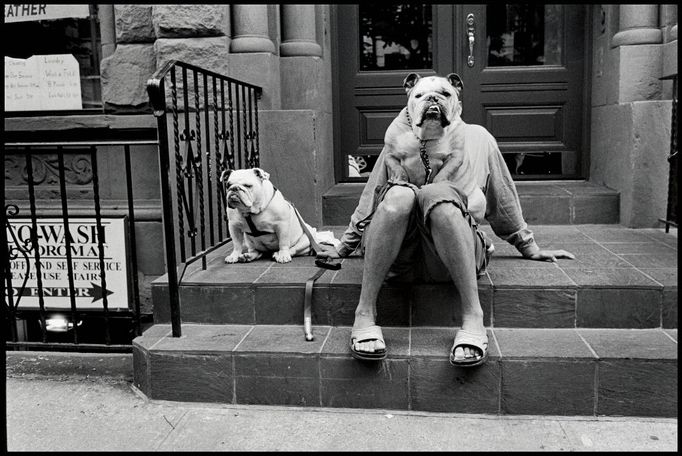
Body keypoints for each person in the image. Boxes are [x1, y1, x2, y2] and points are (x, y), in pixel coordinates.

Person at [317, 72, 574, 366]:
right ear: (409, 105)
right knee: (398, 196)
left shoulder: (478, 138)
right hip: (399, 256)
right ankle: (364, 311)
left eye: (444, 95)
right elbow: (372, 197)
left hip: (451, 255)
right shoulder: (400, 140)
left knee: (440, 196)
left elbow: (502, 197)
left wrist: (528, 246)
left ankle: (472, 316)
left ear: (458, 103)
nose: (433, 102)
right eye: (422, 97)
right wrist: (344, 246)